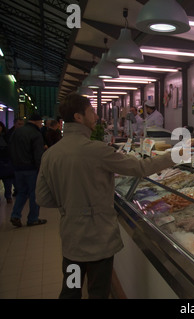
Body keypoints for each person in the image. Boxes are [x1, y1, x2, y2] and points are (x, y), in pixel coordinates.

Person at [35, 93, 181, 299]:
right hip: (98, 242)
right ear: (78, 117)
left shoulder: (50, 154)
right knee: (98, 292)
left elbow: (43, 198)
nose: (96, 117)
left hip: (71, 241)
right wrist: (177, 155)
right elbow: (140, 167)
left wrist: (70, 204)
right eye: (91, 112)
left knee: (71, 289)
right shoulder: (97, 150)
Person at [9, 113, 46, 227]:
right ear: (37, 122)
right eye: (40, 123)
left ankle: (15, 215)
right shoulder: (35, 134)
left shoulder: (17, 132)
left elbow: (10, 148)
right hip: (31, 168)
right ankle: (33, 218)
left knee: (21, 193)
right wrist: (41, 169)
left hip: (18, 168)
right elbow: (38, 154)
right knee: (35, 194)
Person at [0, 121, 14, 204]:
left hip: (6, 161)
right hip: (6, 161)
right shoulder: (7, 137)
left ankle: (8, 196)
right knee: (7, 180)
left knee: (8, 181)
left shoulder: (7, 137)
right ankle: (8, 196)